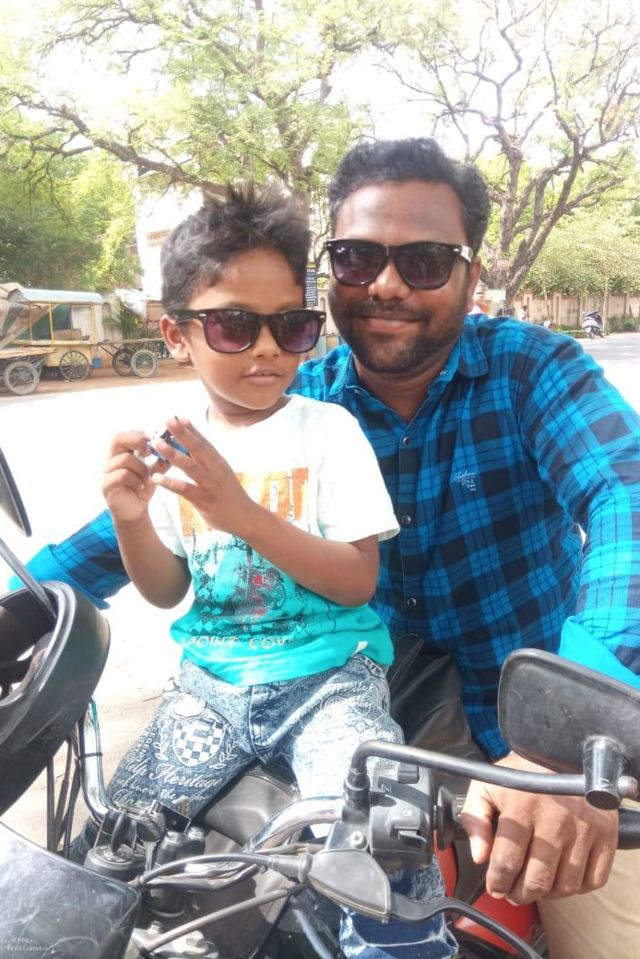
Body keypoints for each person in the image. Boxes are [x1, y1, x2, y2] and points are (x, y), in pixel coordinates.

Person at [12, 138, 640, 959]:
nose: (387, 283)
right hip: (358, 726)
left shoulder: (532, 370)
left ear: (470, 276)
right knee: (137, 874)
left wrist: (572, 735)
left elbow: (625, 493)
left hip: (531, 734)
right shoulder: (285, 403)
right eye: (358, 257)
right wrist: (20, 617)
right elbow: (117, 535)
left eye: (425, 261)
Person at [85, 183, 457, 959]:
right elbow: (167, 588)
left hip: (329, 678)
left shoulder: (328, 431)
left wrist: (243, 513)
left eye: (290, 326)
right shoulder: (175, 447)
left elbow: (357, 580)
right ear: (176, 334)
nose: (265, 350)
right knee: (114, 838)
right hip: (210, 684)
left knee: (387, 825)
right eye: (233, 325)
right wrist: (130, 518)